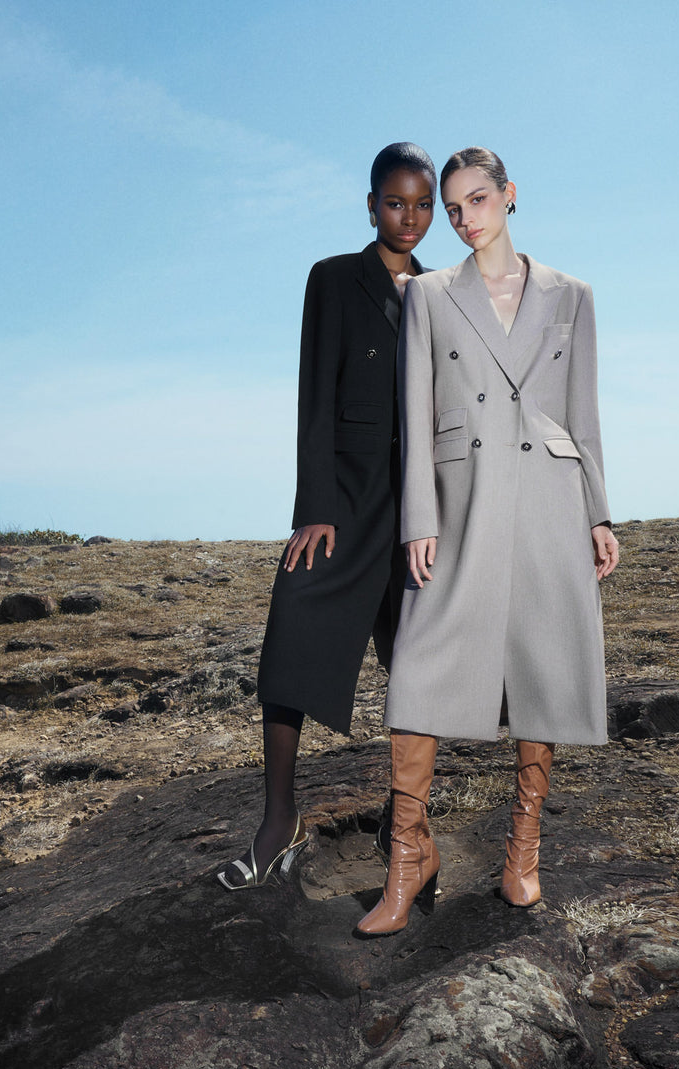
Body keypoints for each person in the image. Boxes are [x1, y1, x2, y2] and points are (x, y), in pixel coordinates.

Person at [357, 146, 620, 934]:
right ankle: (407, 858)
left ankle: (522, 852)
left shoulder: (572, 295)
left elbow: (583, 412)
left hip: (549, 494)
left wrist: (599, 513)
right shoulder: (429, 294)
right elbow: (415, 413)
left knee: (544, 660)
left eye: (478, 199)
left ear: (509, 195)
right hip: (461, 497)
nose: (465, 217)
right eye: (453, 206)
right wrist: (419, 519)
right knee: (420, 665)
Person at [219, 143, 438, 890]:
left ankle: (407, 824)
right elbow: (315, 391)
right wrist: (315, 506)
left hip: (419, 505)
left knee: (418, 661)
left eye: (422, 204)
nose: (408, 217)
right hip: (346, 498)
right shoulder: (333, 277)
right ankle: (279, 820)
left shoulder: (444, 291)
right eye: (394, 203)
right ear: (371, 205)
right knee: (293, 625)